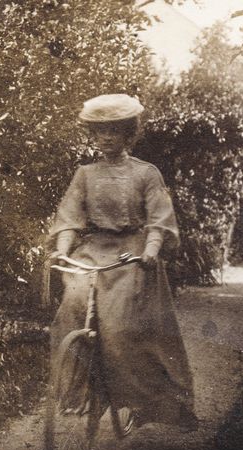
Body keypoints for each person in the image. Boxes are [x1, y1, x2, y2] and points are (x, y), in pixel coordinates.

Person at [48, 93, 198, 430]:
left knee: (119, 329)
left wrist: (151, 250)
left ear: (129, 135)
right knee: (69, 313)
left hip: (132, 253)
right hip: (94, 249)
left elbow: (159, 218)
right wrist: (62, 248)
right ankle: (80, 395)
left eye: (114, 131)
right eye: (100, 132)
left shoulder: (146, 173)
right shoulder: (85, 174)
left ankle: (144, 400)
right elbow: (69, 217)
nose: (105, 138)